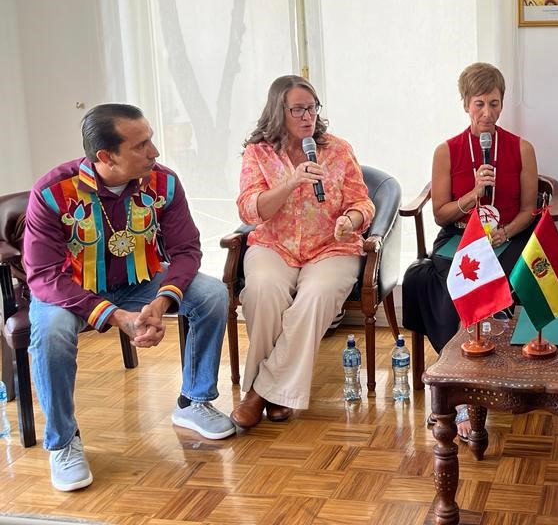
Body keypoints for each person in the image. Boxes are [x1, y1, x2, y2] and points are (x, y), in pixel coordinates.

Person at [23, 104, 234, 492]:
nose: (154, 152)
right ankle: (63, 441)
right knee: (50, 333)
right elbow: (44, 275)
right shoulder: (52, 192)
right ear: (107, 156)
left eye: (150, 139)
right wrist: (117, 316)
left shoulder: (165, 182)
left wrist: (163, 301)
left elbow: (186, 249)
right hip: (72, 290)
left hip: (142, 280)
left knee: (212, 294)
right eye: (141, 145)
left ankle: (194, 402)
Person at [402, 62, 538, 439]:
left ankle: (487, 379)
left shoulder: (521, 149)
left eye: (494, 104)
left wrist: (504, 232)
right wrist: (473, 196)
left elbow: (529, 209)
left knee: (501, 278)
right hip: (461, 235)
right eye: (479, 104)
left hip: (507, 235)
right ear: (465, 104)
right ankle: (458, 385)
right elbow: (440, 212)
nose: (487, 114)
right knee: (442, 281)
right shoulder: (446, 151)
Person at [231, 75, 374, 428]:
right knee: (263, 292)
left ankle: (260, 394)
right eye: (298, 109)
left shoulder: (337, 149)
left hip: (332, 246)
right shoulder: (258, 152)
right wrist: (291, 181)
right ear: (279, 111)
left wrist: (350, 220)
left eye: (312, 108)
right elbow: (250, 210)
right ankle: (278, 393)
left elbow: (362, 203)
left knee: (318, 295)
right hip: (274, 243)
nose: (308, 116)